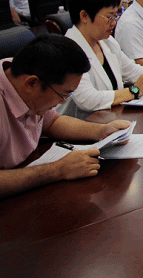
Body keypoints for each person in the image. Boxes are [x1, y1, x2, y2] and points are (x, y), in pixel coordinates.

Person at [0, 35, 132, 198]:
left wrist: (101, 131)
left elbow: (52, 122)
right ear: (31, 84)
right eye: (63, 94)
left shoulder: (26, 73)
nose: (63, 102)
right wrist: (58, 170)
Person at [58, 0, 143, 119]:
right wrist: (134, 90)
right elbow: (87, 99)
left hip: (110, 117)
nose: (114, 23)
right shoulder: (67, 50)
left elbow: (132, 70)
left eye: (116, 16)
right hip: (83, 124)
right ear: (84, 16)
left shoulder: (107, 41)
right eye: (109, 17)